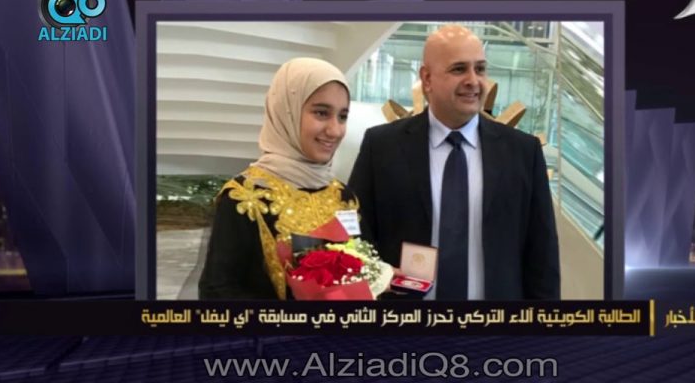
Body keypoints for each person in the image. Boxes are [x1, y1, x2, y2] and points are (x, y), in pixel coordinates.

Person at [348, 24, 560, 300]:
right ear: (427, 79)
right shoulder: (381, 146)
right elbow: (356, 237)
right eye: (459, 69)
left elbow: (542, 256)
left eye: (480, 69)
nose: (474, 81)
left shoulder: (523, 152)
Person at [199, 58, 358, 300]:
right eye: (321, 113)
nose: (335, 130)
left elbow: (360, 266)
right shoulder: (246, 198)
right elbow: (216, 292)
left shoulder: (344, 197)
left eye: (342, 116)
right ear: (287, 112)